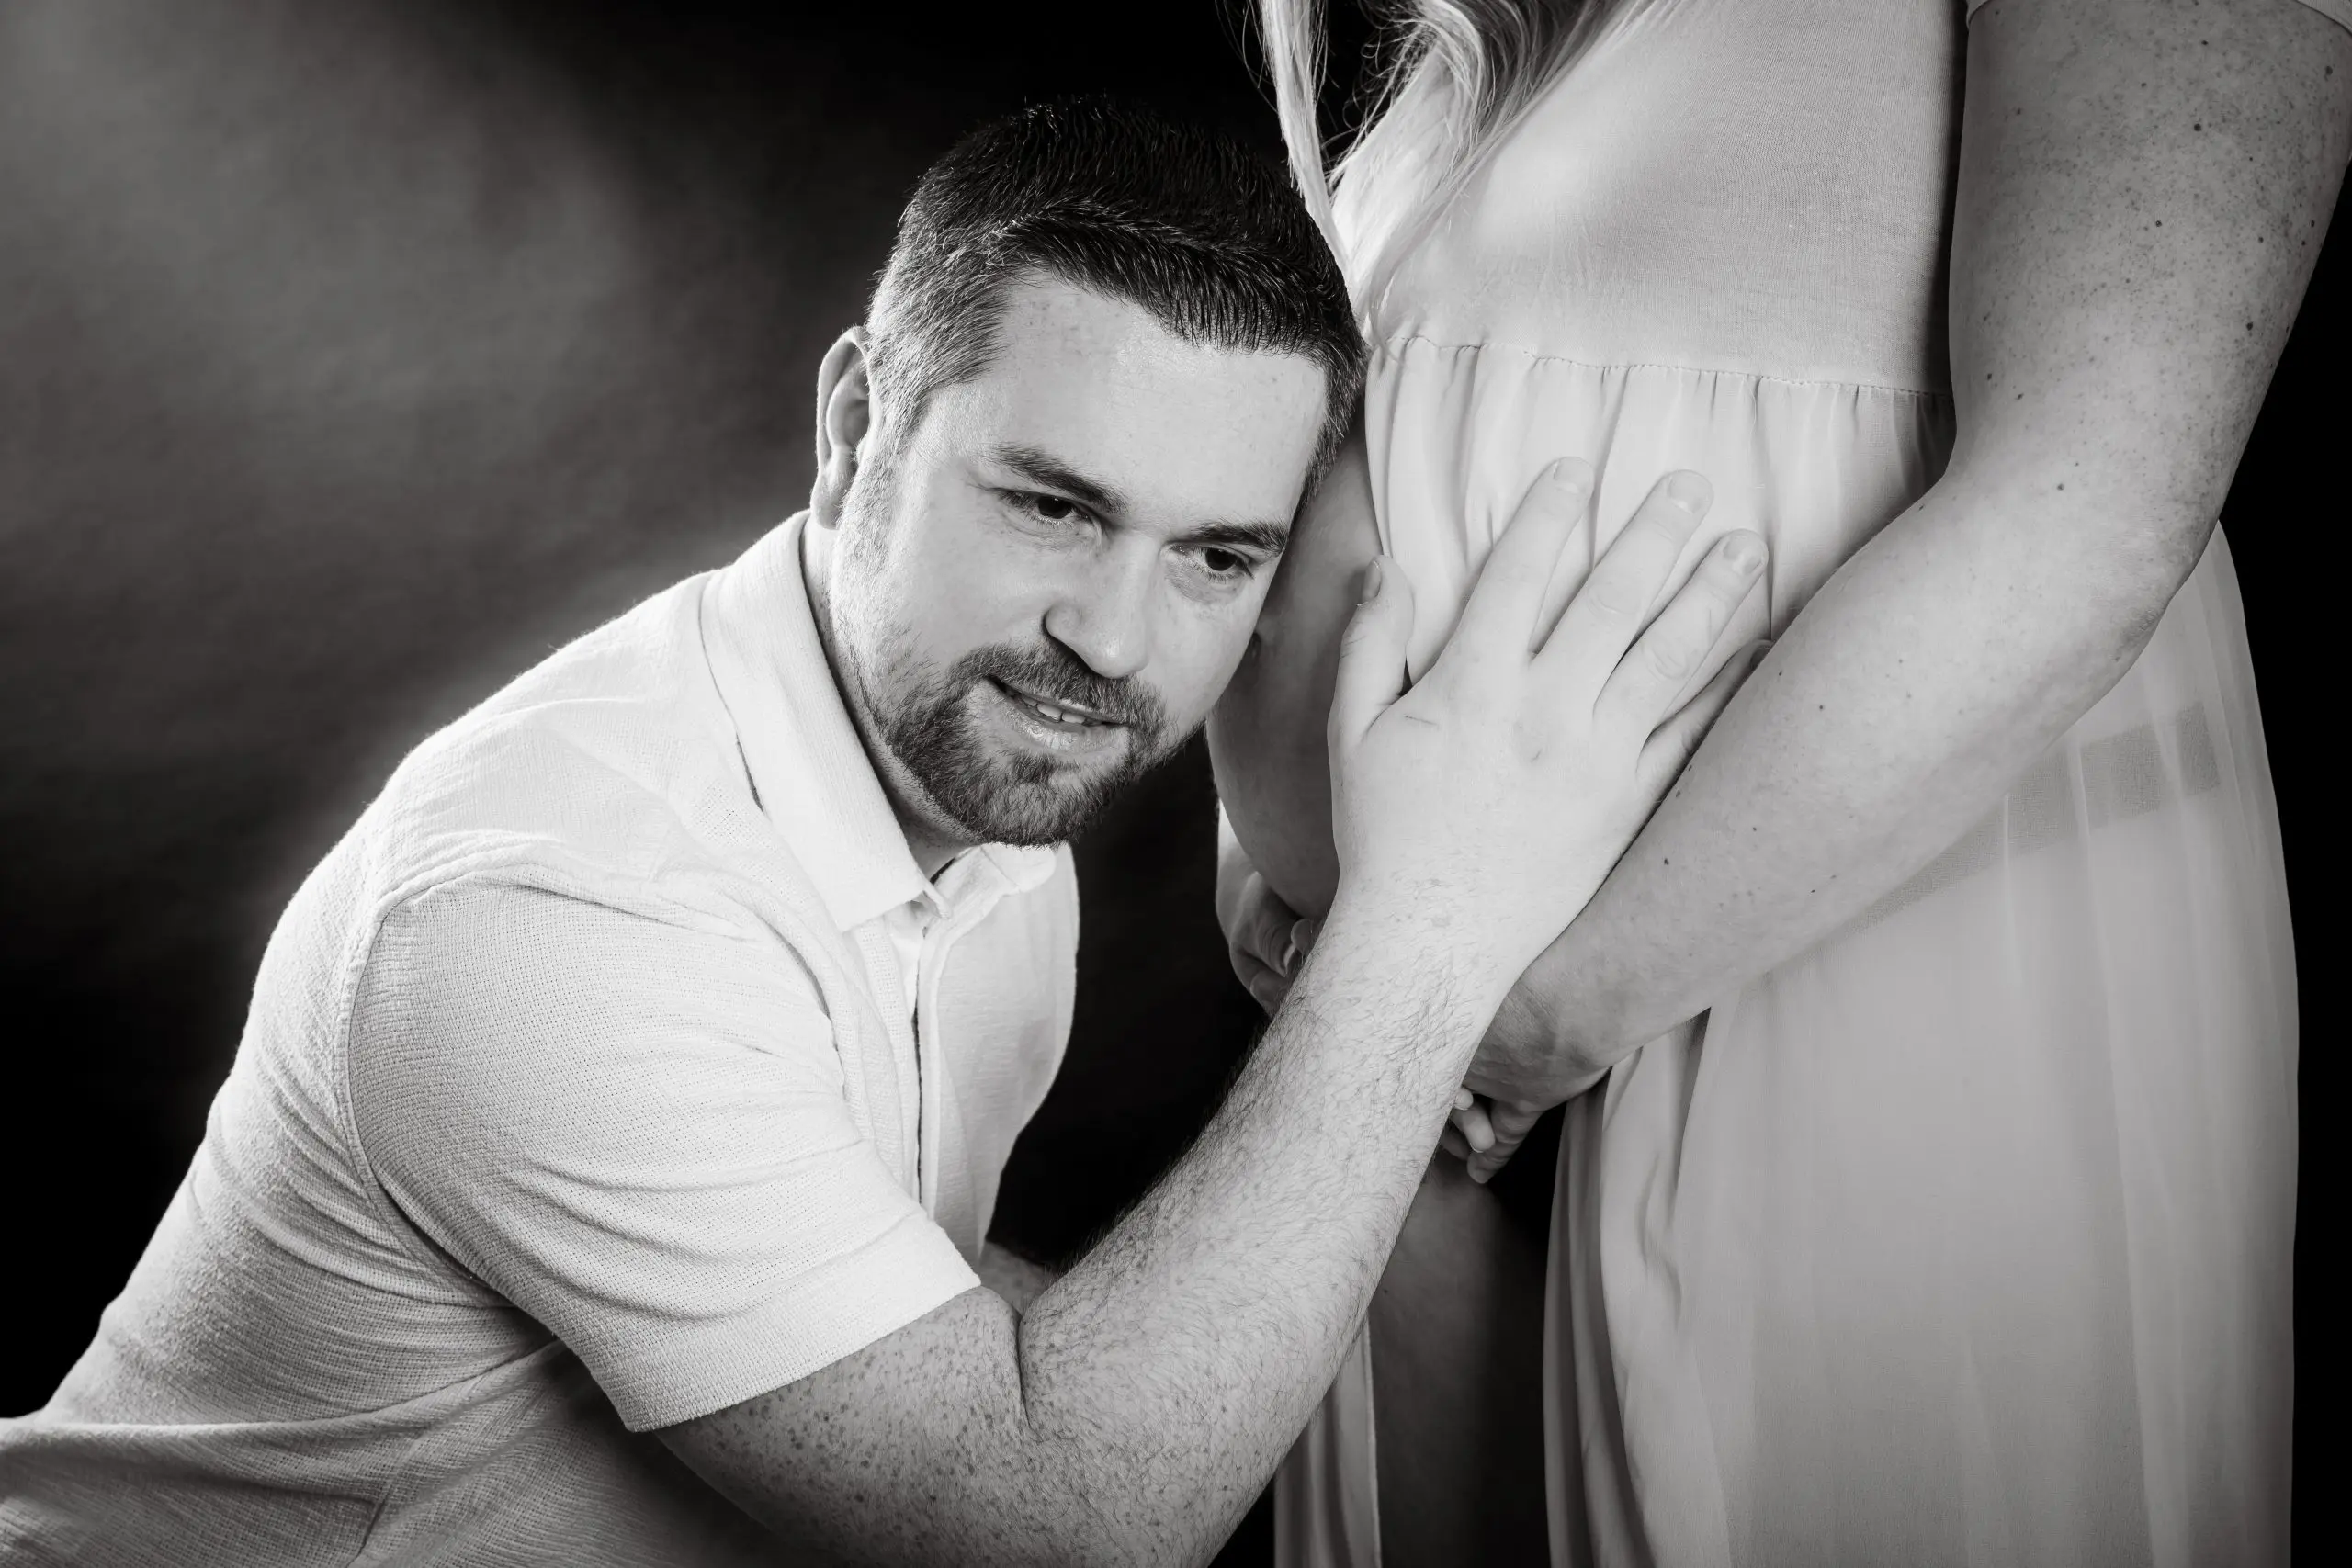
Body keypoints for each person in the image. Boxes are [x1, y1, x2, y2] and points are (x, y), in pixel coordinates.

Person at [0, 99, 1768, 1565]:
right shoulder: (557, 910)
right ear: (859, 427)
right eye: (1053, 504)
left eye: (1215, 555)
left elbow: (877, 1304)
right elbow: (1047, 1526)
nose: (1113, 640)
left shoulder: (977, 785)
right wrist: (1426, 927)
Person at [1212, 0, 2352, 1563]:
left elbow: (2088, 508)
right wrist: (1306, 900)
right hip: (1415, 1075)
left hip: (1846, 963)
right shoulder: (1488, 39)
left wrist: (1539, 1013)